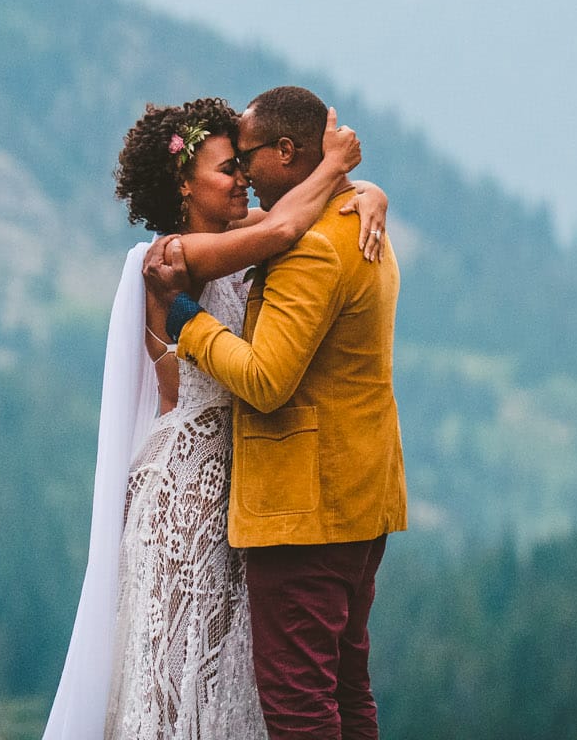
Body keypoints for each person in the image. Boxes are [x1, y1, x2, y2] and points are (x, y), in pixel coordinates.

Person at [44, 97, 387, 740]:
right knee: (179, 675)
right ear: (183, 183)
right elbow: (288, 230)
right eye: (230, 168)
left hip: (247, 487)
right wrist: (339, 164)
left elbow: (297, 214)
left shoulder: (238, 234)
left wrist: (369, 192)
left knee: (240, 678)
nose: (245, 179)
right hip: (190, 493)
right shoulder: (173, 257)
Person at [154, 85, 405, 739]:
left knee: (299, 704)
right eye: (228, 163)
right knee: (347, 689)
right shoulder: (352, 217)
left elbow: (266, 380)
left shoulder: (312, 244)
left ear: (286, 151)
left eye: (248, 157)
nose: (245, 174)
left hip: (305, 510)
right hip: (357, 498)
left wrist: (190, 322)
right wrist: (364, 185)